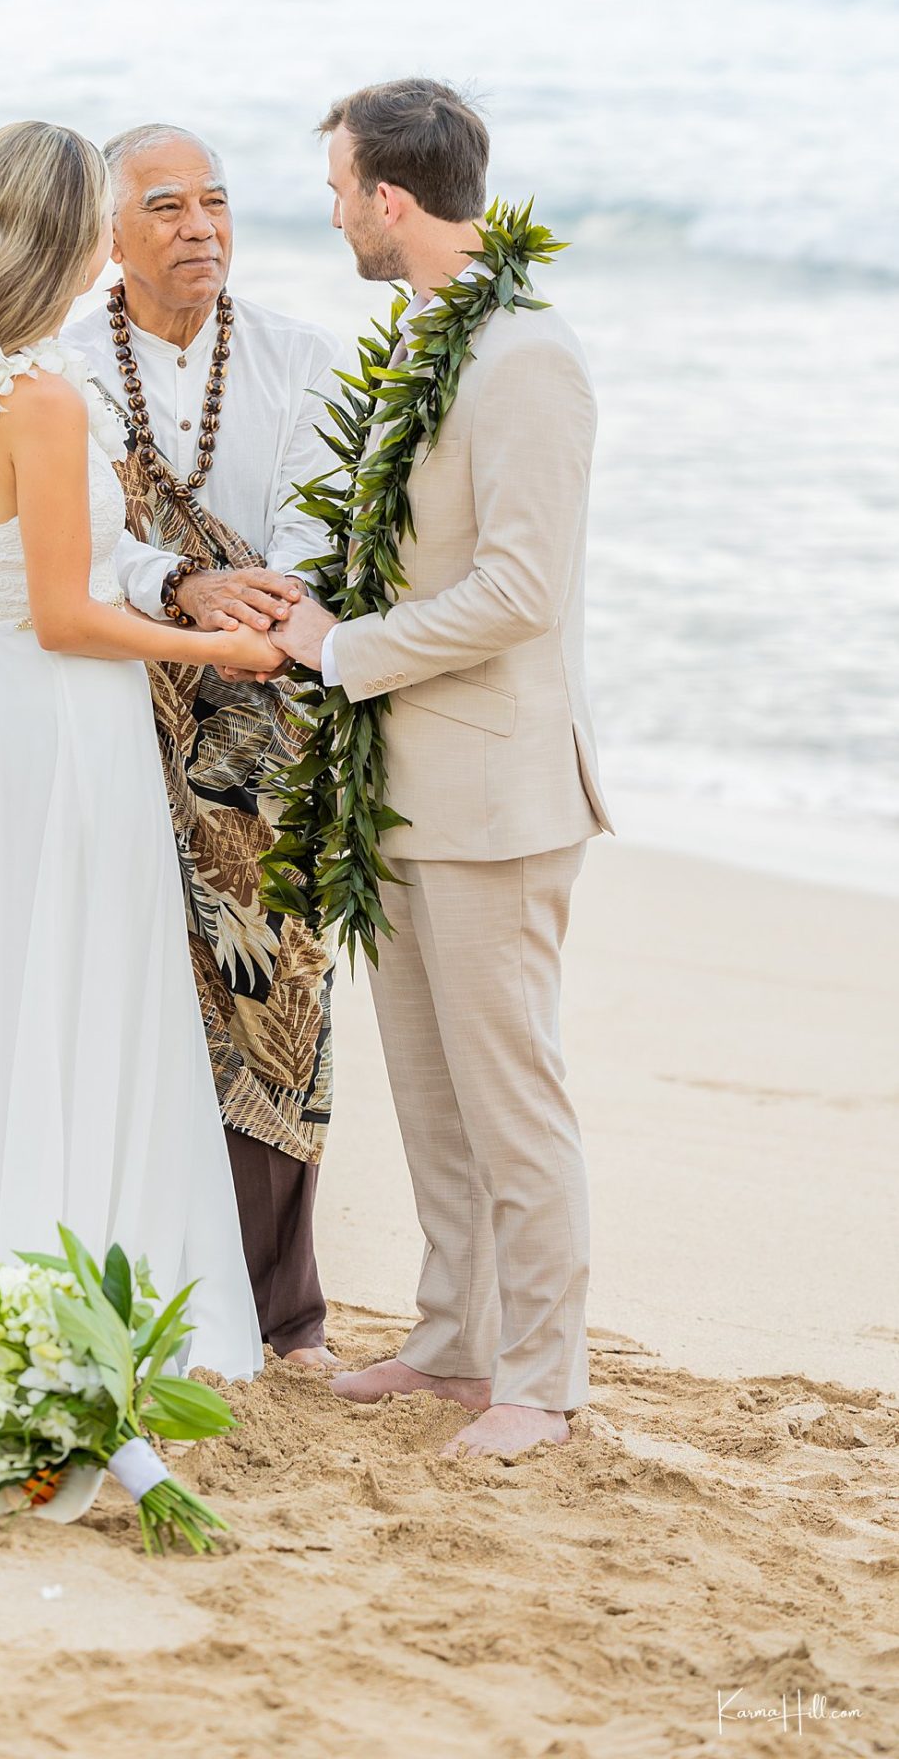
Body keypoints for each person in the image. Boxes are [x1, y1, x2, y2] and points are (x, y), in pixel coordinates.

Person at [0, 120, 277, 1379]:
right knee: (89, 981)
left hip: (12, 720)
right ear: (70, 234)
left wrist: (174, 588)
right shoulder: (44, 401)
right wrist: (231, 652)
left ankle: (19, 1247)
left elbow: (48, 590)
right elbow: (67, 613)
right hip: (68, 726)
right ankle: (88, 1261)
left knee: (32, 981)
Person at [272, 78, 613, 1454]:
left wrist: (341, 650)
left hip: (494, 790)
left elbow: (521, 591)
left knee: (510, 1095)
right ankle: (453, 1342)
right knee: (429, 1089)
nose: (335, 211)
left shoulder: (525, 354)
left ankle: (542, 1376)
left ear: (389, 200)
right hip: (401, 782)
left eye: (340, 187)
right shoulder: (423, 334)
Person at [71, 123, 342, 1369]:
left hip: (267, 714)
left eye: (217, 203)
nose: (201, 227)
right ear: (109, 234)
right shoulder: (66, 365)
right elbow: (65, 543)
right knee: (140, 990)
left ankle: (281, 1313)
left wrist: (257, 597)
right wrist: (172, 581)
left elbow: (315, 527)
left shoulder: (299, 355)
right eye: (168, 205)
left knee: (274, 987)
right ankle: (135, 1271)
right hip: (120, 705)